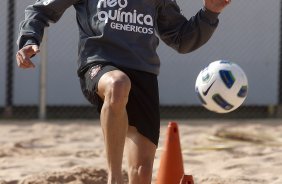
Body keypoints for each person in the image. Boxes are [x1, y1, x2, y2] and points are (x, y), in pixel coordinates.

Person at [16, 0, 231, 183]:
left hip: (144, 74)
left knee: (142, 172)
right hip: (99, 64)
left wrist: (210, 12)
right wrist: (29, 39)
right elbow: (40, 10)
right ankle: (114, 176)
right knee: (118, 85)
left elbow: (181, 39)